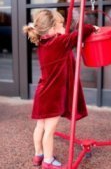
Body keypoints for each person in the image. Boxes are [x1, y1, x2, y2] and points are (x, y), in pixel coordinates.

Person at [23, 9, 97, 169]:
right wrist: (93, 28)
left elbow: (69, 39)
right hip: (53, 96)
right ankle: (48, 162)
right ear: (52, 28)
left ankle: (38, 155)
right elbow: (80, 33)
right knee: (49, 131)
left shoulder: (42, 44)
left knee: (40, 126)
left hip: (42, 93)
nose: (65, 27)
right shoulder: (59, 43)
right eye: (61, 24)